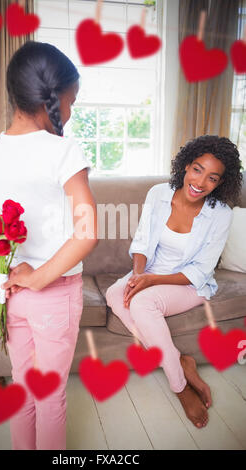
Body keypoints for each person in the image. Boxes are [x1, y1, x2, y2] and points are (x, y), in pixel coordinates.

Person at [0, 41, 98, 450]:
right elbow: (87, 232)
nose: (70, 113)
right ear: (52, 100)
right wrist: (39, 278)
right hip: (50, 293)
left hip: (9, 290)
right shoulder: (63, 150)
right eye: (71, 102)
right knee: (49, 394)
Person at [106, 135, 243, 429]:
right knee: (114, 293)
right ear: (185, 166)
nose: (200, 181)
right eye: (197, 169)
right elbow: (142, 242)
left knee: (141, 302)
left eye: (212, 177)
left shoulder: (221, 215)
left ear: (221, 183)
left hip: (190, 283)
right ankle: (180, 360)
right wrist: (139, 276)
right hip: (152, 271)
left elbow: (201, 269)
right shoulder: (158, 194)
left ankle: (180, 387)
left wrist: (150, 282)